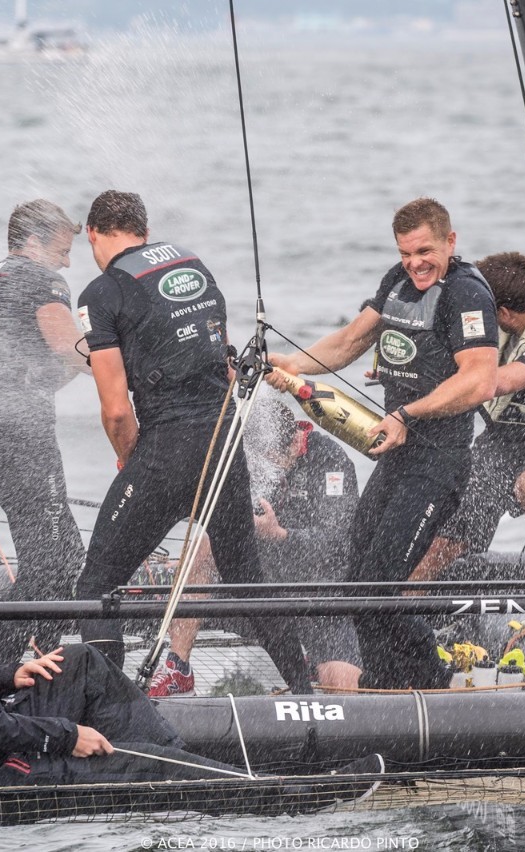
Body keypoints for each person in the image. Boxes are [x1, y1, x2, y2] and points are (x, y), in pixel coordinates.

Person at [0, 518, 384, 822]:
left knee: (80, 663)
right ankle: (299, 801)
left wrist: (9, 674)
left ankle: (178, 757)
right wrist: (66, 735)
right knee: (148, 770)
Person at [73, 190, 310, 694]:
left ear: (93, 233)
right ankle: (307, 694)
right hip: (224, 447)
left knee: (97, 587)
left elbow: (116, 409)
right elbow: (223, 364)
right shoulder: (192, 264)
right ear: (143, 228)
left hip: (165, 449)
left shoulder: (101, 292)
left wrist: (131, 461)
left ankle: (116, 714)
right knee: (247, 583)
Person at [266, 197, 498, 690]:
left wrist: (408, 413)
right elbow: (351, 342)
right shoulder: (397, 280)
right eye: (406, 252)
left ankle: (434, 683)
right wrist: (291, 363)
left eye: (425, 251)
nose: (415, 263)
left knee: (379, 588)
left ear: (450, 242)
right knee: (358, 586)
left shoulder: (467, 293)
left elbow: (479, 381)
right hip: (396, 458)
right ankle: (385, 687)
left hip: (439, 464)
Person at [0, 199, 91, 665]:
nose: (68, 262)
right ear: (33, 242)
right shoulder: (41, 279)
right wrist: (119, 350)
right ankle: (12, 673)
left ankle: (33, 660)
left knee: (62, 553)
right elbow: (73, 351)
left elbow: (39, 373)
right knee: (53, 562)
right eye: (63, 250)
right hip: (23, 440)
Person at [148, 396, 364, 695]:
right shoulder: (245, 456)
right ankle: (178, 666)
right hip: (261, 588)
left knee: (344, 684)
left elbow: (338, 543)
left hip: (319, 597)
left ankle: (311, 665)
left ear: (291, 444)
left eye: (269, 458)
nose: (263, 467)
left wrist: (281, 535)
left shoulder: (330, 461)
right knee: (204, 542)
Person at [410, 251, 525, 584]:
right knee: (438, 541)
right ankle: (401, 612)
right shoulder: (514, 309)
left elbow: (493, 382)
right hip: (500, 442)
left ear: (501, 312)